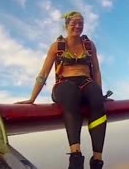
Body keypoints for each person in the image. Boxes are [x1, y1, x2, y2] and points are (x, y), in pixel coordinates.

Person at [15, 11, 107, 169]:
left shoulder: (89, 46)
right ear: (66, 25)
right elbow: (43, 73)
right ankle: (76, 156)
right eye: (74, 23)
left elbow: (97, 71)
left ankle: (97, 160)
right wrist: (32, 99)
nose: (78, 26)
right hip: (64, 85)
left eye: (81, 23)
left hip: (86, 81)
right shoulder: (57, 46)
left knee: (97, 98)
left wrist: (100, 92)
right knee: (71, 95)